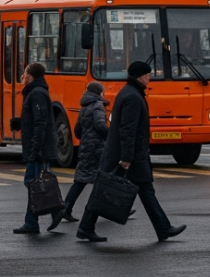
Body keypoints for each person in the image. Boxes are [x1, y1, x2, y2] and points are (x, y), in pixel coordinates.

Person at [76, 61, 185, 243]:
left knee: (125, 190)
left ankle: (163, 228)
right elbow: (128, 129)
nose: (150, 78)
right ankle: (163, 229)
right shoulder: (133, 97)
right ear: (141, 76)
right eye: (148, 74)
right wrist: (126, 157)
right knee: (109, 190)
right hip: (129, 155)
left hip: (127, 153)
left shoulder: (128, 92)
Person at [14, 62, 62, 234]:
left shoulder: (36, 93)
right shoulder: (35, 92)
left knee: (33, 182)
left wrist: (36, 149)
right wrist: (20, 123)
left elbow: (41, 123)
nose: (22, 75)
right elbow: (37, 119)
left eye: (25, 72)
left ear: (30, 75)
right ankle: (33, 221)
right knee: (35, 183)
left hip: (39, 149)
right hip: (39, 147)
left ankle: (53, 210)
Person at [57, 82, 108, 224]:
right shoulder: (98, 105)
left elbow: (77, 129)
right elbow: (100, 126)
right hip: (97, 148)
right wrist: (110, 136)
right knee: (105, 178)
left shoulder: (84, 106)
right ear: (100, 93)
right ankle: (115, 208)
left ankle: (66, 208)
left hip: (86, 146)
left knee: (81, 180)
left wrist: (86, 138)